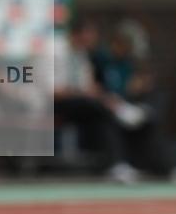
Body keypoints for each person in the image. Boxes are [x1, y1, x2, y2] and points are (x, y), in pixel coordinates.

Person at [53, 19, 140, 183]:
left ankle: (116, 164)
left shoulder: (82, 54)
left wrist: (107, 98)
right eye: (89, 35)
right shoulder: (55, 51)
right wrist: (89, 94)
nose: (92, 40)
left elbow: (89, 86)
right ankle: (116, 163)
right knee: (98, 107)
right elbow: (55, 92)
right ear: (76, 35)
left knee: (105, 112)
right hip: (53, 105)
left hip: (79, 103)